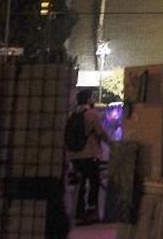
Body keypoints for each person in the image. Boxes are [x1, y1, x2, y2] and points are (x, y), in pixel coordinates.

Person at [67, 88, 110, 224]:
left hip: (75, 155)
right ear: (87, 99)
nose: (94, 99)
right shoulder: (91, 114)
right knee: (94, 183)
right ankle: (92, 212)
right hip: (90, 154)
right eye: (92, 97)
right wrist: (112, 144)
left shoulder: (72, 115)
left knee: (80, 185)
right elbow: (101, 133)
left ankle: (79, 214)